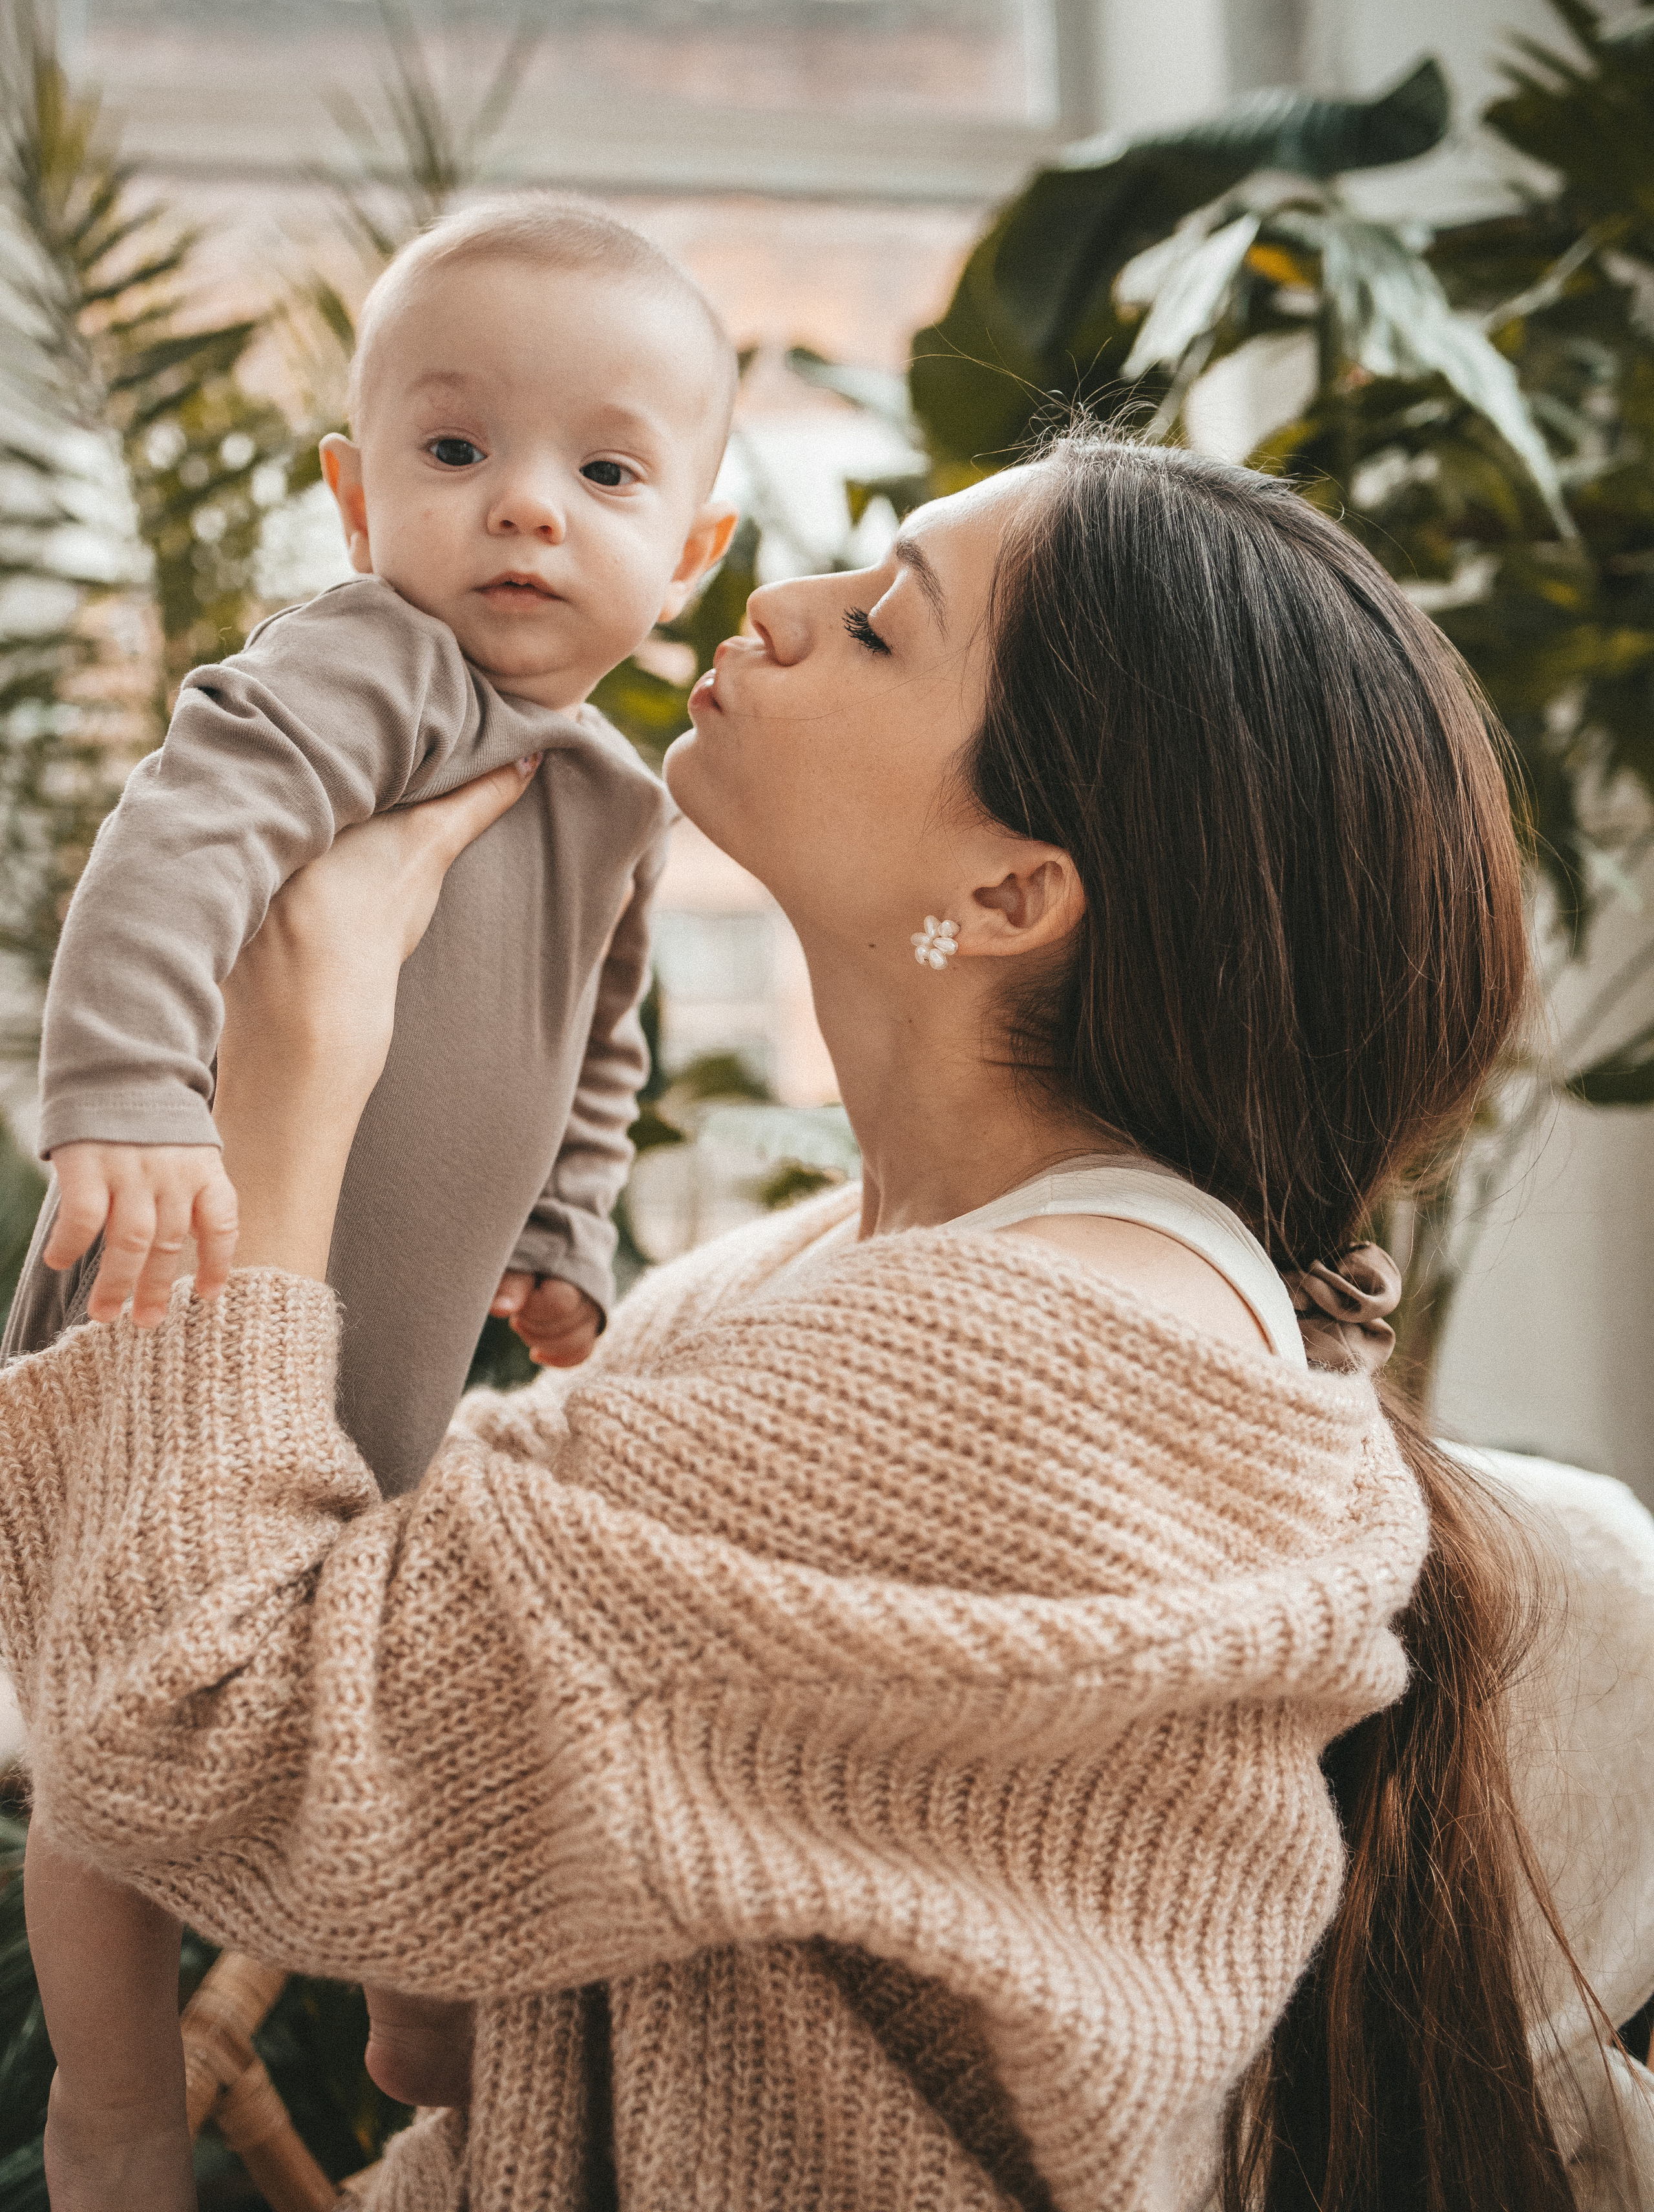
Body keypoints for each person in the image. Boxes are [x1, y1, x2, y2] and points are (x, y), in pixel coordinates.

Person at [3, 434, 1652, 2212]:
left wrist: (298, 1045)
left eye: (881, 628)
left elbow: (200, 1738)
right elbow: (436, 2008)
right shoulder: (815, 1282)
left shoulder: (1006, 1376)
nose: (777, 607)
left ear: (1016, 892)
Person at [7, 193, 738, 2206]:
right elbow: (181, 841)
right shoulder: (369, 672)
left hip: (390, 1342)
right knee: (116, 1727)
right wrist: (132, 1089)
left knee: (336, 1678)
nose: (521, 510)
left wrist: (568, 1234)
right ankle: (112, 2100)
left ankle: (415, 2026)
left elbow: (607, 1039)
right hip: (182, 1286)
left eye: (599, 470)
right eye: (453, 451)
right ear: (354, 498)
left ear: (689, 551)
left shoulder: (616, 794)